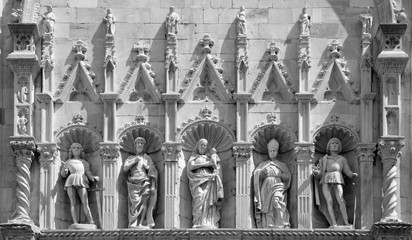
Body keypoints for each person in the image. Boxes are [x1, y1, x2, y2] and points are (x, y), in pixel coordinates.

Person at [313, 138, 358, 228]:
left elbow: (346, 170)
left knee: (341, 200)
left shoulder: (342, 159)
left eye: (337, 143)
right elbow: (320, 172)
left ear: (340, 147)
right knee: (329, 201)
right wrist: (317, 173)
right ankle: (333, 223)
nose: (335, 145)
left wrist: (352, 175)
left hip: (338, 178)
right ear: (328, 147)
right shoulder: (324, 159)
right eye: (332, 143)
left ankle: (346, 222)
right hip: (326, 179)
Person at [252, 139, 291, 228]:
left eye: (274, 151)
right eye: (271, 151)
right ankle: (268, 223)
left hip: (278, 185)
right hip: (266, 186)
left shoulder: (282, 165)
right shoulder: (263, 164)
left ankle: (281, 222)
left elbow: (288, 176)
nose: (272, 152)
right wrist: (261, 173)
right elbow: (256, 174)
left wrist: (286, 176)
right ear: (268, 152)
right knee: (267, 207)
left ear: (277, 152)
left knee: (276, 201)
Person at [187, 138, 224, 228]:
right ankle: (198, 222)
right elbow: (191, 167)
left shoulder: (209, 157)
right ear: (198, 146)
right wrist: (205, 164)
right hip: (197, 180)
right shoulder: (194, 157)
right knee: (199, 198)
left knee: (209, 200)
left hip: (209, 180)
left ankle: (209, 221)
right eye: (201, 145)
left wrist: (215, 161)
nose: (203, 147)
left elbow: (216, 168)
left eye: (205, 145)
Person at [61, 143, 99, 225]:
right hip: (71, 180)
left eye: (78, 148)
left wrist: (93, 177)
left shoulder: (84, 162)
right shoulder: (68, 162)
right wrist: (65, 171)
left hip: (82, 180)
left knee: (85, 202)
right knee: (72, 202)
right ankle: (75, 222)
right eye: (74, 148)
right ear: (71, 150)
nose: (76, 149)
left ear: (81, 150)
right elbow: (63, 174)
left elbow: (88, 172)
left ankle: (91, 220)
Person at [123, 137, 158, 228]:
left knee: (144, 203)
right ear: (135, 146)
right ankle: (133, 222)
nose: (140, 145)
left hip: (145, 181)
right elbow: (125, 168)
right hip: (133, 183)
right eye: (138, 143)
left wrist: (148, 168)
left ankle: (142, 222)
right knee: (135, 202)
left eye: (142, 143)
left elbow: (153, 170)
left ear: (144, 146)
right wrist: (134, 161)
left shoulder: (147, 158)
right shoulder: (131, 158)